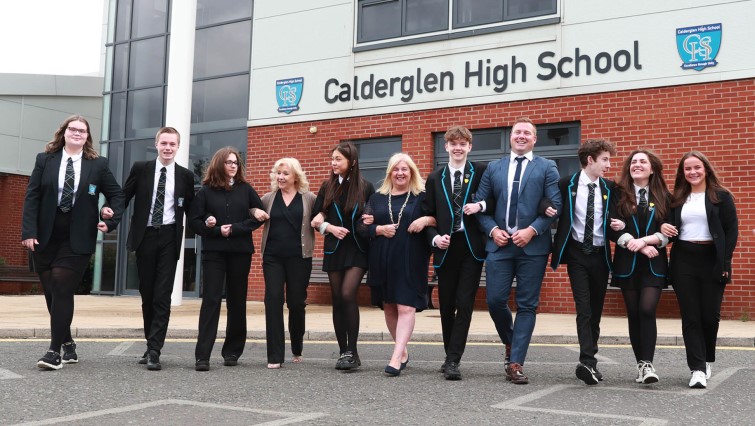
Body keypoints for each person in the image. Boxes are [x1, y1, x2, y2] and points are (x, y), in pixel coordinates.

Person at [21, 115, 125, 370]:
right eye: (73, 129)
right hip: (45, 234)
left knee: (62, 285)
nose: (77, 133)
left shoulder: (97, 165)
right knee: (51, 293)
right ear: (63, 132)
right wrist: (28, 231)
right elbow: (32, 196)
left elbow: (117, 195)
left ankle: (53, 352)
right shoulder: (44, 160)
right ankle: (67, 343)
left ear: (87, 137)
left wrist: (109, 218)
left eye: (82, 130)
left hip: (77, 237)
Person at [472, 117, 561, 384]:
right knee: (495, 301)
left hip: (532, 247)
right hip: (499, 245)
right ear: (511, 137)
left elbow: (555, 205)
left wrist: (532, 230)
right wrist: (492, 230)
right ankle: (512, 344)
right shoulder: (494, 167)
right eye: (517, 132)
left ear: (535, 139)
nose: (521, 136)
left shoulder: (547, 167)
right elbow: (480, 204)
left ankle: (516, 362)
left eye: (527, 133)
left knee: (526, 305)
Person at [660, 151, 738, 389]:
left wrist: (724, 263)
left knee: (710, 315)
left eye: (697, 167)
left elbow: (731, 231)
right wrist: (663, 226)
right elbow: (668, 228)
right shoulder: (678, 198)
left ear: (706, 168)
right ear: (682, 173)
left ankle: (706, 358)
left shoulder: (721, 196)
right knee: (691, 315)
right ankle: (697, 368)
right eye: (687, 169)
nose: (692, 172)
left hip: (712, 259)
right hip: (684, 258)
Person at [120, 127, 195, 371]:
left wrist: (211, 223)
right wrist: (108, 216)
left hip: (169, 238)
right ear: (156, 144)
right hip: (146, 237)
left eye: (172, 144)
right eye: (164, 143)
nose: (168, 148)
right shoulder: (141, 169)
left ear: (178, 146)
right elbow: (123, 197)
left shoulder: (185, 176)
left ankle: (155, 350)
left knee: (162, 295)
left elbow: (193, 210)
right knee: (148, 294)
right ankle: (150, 342)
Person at [422, 126, 488, 380]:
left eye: (463, 144)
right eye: (453, 144)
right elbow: (427, 214)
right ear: (446, 147)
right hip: (446, 248)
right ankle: (449, 354)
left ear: (469, 147)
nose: (458, 148)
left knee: (465, 303)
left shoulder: (480, 172)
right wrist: (435, 238)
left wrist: (480, 204)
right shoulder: (434, 178)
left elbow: (494, 199)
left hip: (471, 247)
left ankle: (453, 360)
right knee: (446, 305)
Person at [188, 147, 263, 371]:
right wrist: (214, 229)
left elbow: (259, 216)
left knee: (237, 301)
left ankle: (232, 351)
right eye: (229, 162)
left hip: (240, 252)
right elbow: (194, 221)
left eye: (236, 163)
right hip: (214, 253)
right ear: (219, 164)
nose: (233, 166)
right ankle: (202, 356)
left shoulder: (246, 189)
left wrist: (236, 229)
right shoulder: (206, 192)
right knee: (211, 301)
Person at [358, 153, 433, 377]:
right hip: (383, 258)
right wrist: (378, 229)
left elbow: (441, 218)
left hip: (412, 259)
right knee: (390, 306)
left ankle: (395, 356)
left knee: (406, 307)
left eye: (405, 169)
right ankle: (403, 351)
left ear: (412, 172)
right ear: (390, 172)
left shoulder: (422, 197)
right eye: (396, 169)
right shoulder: (377, 198)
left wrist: (426, 220)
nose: (400, 173)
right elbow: (362, 227)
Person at [551, 139, 617, 385]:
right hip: (577, 253)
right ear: (590, 160)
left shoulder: (610, 188)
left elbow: (618, 216)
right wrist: (548, 209)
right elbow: (549, 204)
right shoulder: (565, 184)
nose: (609, 165)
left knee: (596, 311)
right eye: (605, 160)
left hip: (600, 255)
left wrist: (619, 226)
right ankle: (587, 361)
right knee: (584, 308)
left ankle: (591, 361)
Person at [607, 149, 671, 385]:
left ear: (652, 168)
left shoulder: (665, 195)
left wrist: (645, 241)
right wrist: (637, 245)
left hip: (654, 264)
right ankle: (642, 365)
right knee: (634, 313)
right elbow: (610, 229)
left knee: (646, 309)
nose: (637, 164)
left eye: (643, 161)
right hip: (628, 263)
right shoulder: (617, 195)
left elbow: (669, 230)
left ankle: (648, 362)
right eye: (634, 161)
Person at [311, 141, 375, 370]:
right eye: (333, 159)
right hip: (334, 248)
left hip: (357, 248)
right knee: (337, 299)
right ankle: (343, 351)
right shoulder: (326, 186)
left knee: (348, 294)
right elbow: (315, 218)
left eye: (339, 159)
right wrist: (327, 227)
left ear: (352, 162)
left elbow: (371, 214)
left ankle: (353, 351)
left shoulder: (366, 187)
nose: (334, 163)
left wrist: (370, 219)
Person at [251, 158, 316, 369]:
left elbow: (322, 215)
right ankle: (275, 355)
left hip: (299, 258)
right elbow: (250, 209)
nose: (280, 177)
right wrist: (254, 212)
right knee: (273, 300)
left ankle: (297, 346)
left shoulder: (309, 198)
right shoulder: (269, 198)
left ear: (295, 176)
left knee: (296, 303)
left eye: (285, 173)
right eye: (278, 173)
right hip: (273, 258)